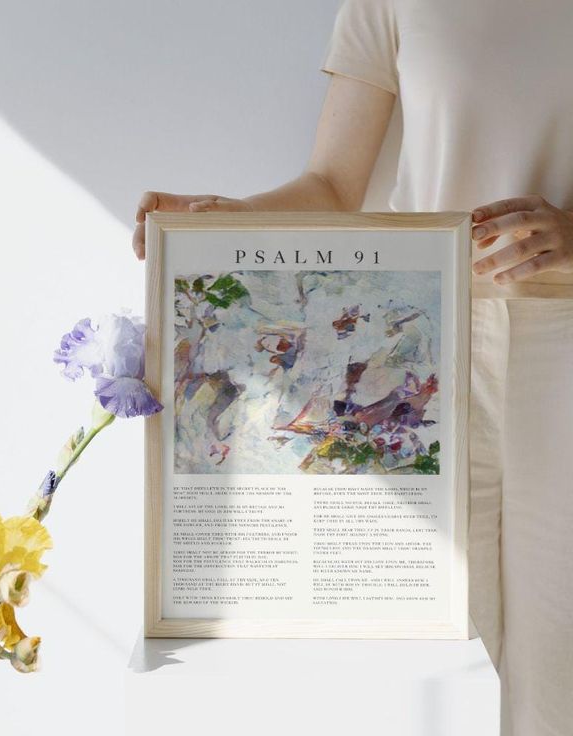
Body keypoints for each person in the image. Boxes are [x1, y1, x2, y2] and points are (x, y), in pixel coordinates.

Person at [132, 1, 573, 734]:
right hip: (418, 352)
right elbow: (334, 185)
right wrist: (228, 218)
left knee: (560, 667)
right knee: (424, 658)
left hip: (565, 346)